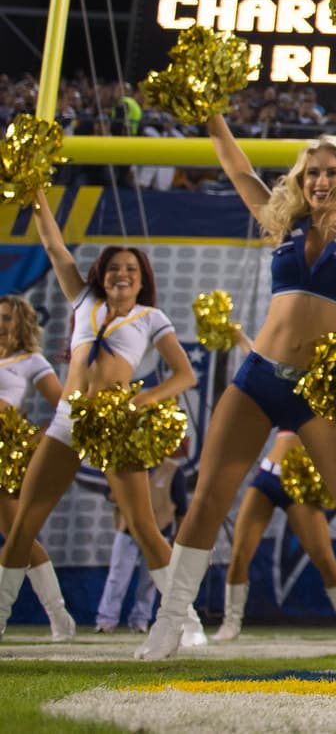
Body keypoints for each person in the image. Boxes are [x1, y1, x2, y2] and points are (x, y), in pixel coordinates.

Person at [136, 121, 336, 661]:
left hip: (321, 391)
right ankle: (170, 626)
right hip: (258, 378)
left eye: (331, 171)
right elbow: (238, 170)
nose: (321, 180)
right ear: (301, 180)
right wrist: (213, 118)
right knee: (208, 497)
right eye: (312, 173)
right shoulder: (282, 223)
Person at [0, 199, 199, 641]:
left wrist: (142, 399)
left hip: (114, 425)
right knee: (23, 525)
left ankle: (186, 620)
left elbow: (184, 375)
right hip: (68, 420)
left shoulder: (151, 318)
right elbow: (55, 247)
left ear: (142, 277)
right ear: (101, 276)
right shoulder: (84, 302)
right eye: (113, 268)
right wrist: (36, 196)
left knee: (144, 527)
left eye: (130, 268)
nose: (121, 274)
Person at [212, 430, 336, 643]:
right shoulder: (291, 396)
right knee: (239, 554)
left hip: (303, 479)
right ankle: (230, 624)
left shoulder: (335, 405)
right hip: (268, 474)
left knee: (323, 558)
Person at [0, 294, 74, 640]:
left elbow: (64, 409)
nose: (0, 326)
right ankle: (60, 618)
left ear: (22, 323)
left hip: (4, 458)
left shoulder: (31, 362)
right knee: (19, 536)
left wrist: (30, 441)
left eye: (6, 318)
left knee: (19, 534)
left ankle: (59, 616)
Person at [95, 447, 188, 633]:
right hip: (128, 529)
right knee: (117, 577)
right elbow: (111, 493)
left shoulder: (172, 470)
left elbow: (181, 508)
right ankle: (106, 620)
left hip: (160, 531)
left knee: (150, 580)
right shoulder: (130, 465)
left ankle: (140, 620)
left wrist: (178, 535)